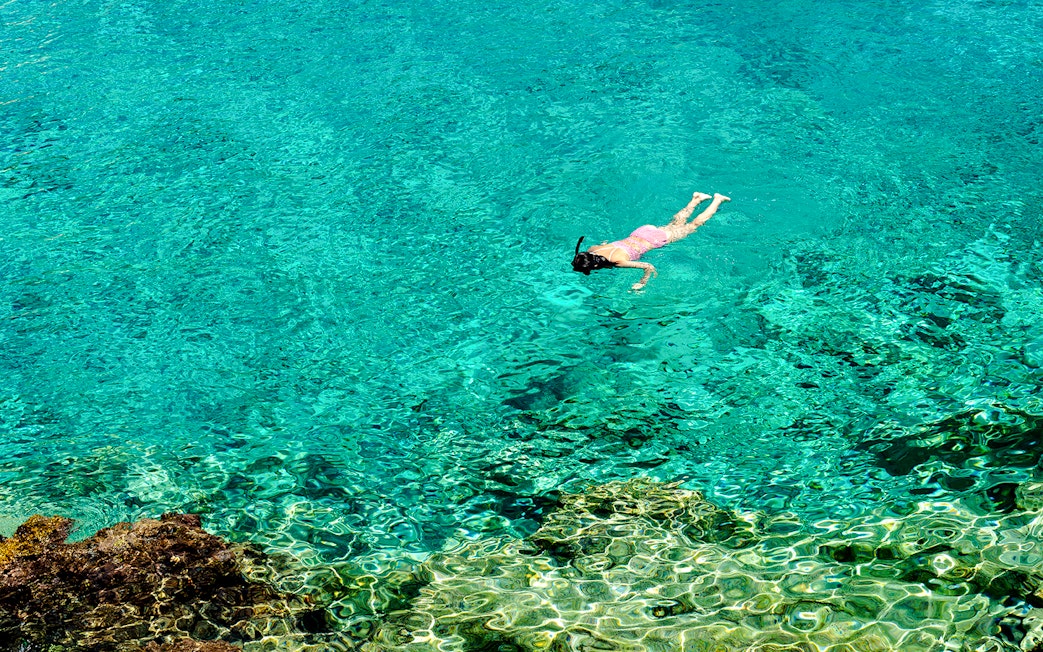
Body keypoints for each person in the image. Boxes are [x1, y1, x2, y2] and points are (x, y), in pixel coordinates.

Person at [571, 192, 730, 290]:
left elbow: (648, 266)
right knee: (674, 225)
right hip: (641, 232)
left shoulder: (618, 261)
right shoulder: (593, 249)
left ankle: (717, 199)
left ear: (595, 265)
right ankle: (696, 199)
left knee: (694, 225)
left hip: (653, 240)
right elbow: (605, 242)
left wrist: (642, 283)